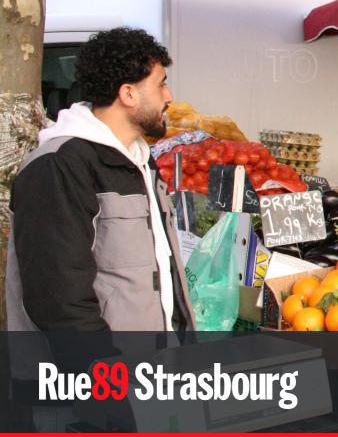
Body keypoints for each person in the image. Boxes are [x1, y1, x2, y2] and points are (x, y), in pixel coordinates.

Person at [7, 29, 196, 430]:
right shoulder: (59, 166)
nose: (168, 97)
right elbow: (58, 299)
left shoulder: (139, 161)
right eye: (161, 84)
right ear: (128, 94)